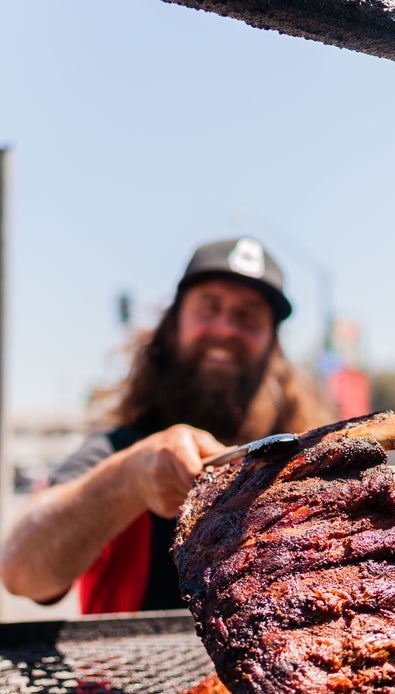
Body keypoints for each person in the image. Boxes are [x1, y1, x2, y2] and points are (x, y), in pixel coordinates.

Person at [0, 237, 334, 614]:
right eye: (209, 308)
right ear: (172, 325)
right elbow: (20, 572)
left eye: (248, 316)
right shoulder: (118, 449)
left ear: (272, 345)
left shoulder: (300, 460)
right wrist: (130, 477)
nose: (225, 329)